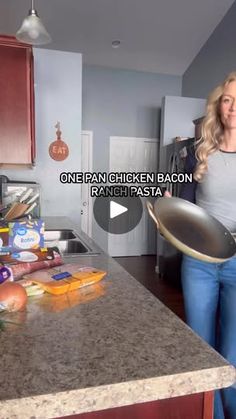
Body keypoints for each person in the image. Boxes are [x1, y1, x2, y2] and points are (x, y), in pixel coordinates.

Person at [178, 72, 236, 419]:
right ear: (218, 105)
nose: (232, 107)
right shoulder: (199, 151)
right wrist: (170, 207)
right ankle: (209, 415)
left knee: (232, 353)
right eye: (228, 99)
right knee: (200, 347)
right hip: (198, 260)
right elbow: (185, 204)